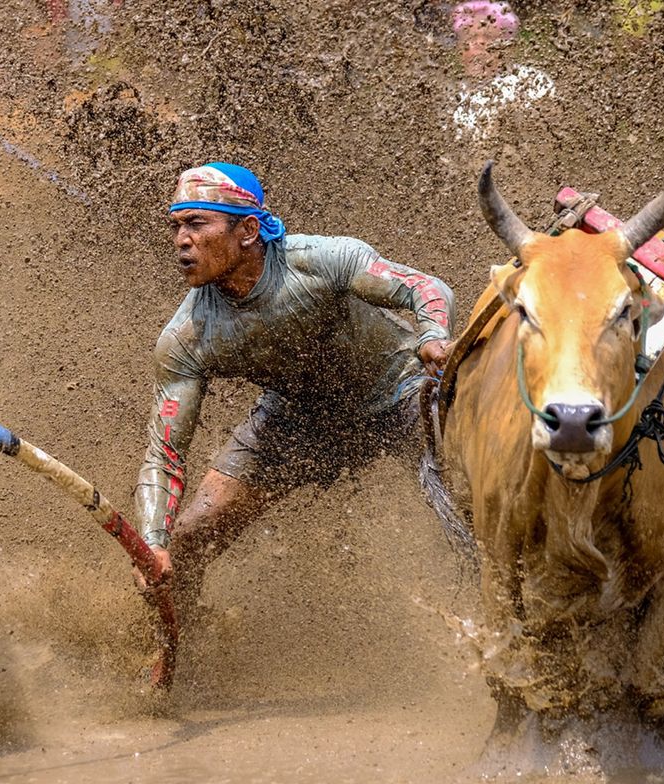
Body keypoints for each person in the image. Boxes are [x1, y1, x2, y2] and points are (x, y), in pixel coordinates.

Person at [131, 163, 454, 616]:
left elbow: (425, 287)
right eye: (177, 225)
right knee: (183, 545)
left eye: (197, 223)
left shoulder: (320, 260)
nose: (181, 240)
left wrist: (432, 337)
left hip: (398, 391)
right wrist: (152, 541)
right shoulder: (187, 336)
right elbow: (163, 457)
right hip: (295, 422)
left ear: (246, 230)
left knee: (472, 498)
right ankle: (179, 665)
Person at [450, 1, 554, 142]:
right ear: (460, 48)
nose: (479, 46)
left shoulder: (531, 82)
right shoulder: (454, 96)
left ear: (506, 46)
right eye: (471, 38)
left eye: (488, 38)